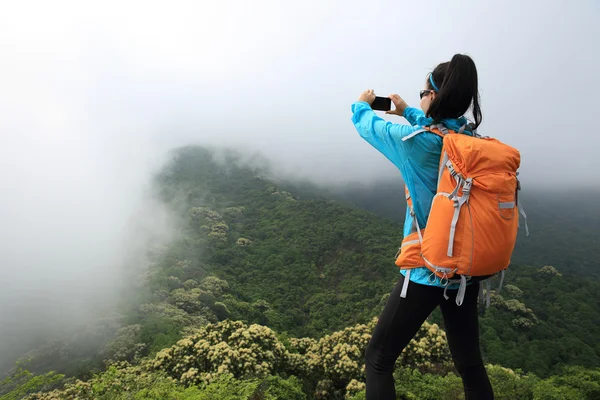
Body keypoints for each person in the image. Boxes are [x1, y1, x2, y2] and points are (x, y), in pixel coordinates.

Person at [350, 54, 494, 400]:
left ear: (433, 95)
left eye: (422, 92)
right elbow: (443, 127)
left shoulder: (414, 144)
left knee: (379, 359)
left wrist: (361, 105)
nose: (419, 99)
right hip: (465, 270)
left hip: (426, 269)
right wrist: (408, 111)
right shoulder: (469, 140)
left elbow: (368, 126)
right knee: (470, 364)